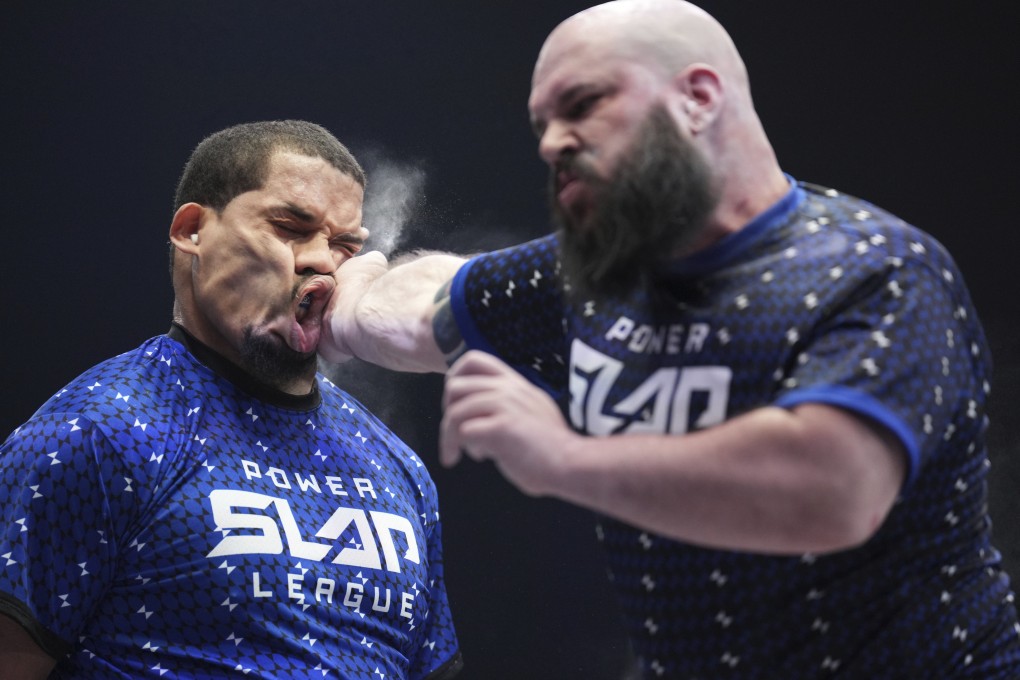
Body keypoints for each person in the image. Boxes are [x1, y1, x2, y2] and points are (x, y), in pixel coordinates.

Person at [318, 1, 1020, 678]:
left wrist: (565, 458)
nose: (553, 143)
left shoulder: (875, 268)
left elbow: (834, 490)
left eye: (583, 104)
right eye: (543, 123)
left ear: (699, 97)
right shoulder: (597, 280)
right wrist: (350, 287)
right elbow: (425, 310)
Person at [0, 120, 462, 680]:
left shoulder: (397, 468)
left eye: (345, 245)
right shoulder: (93, 433)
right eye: (291, 227)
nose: (323, 262)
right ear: (193, 230)